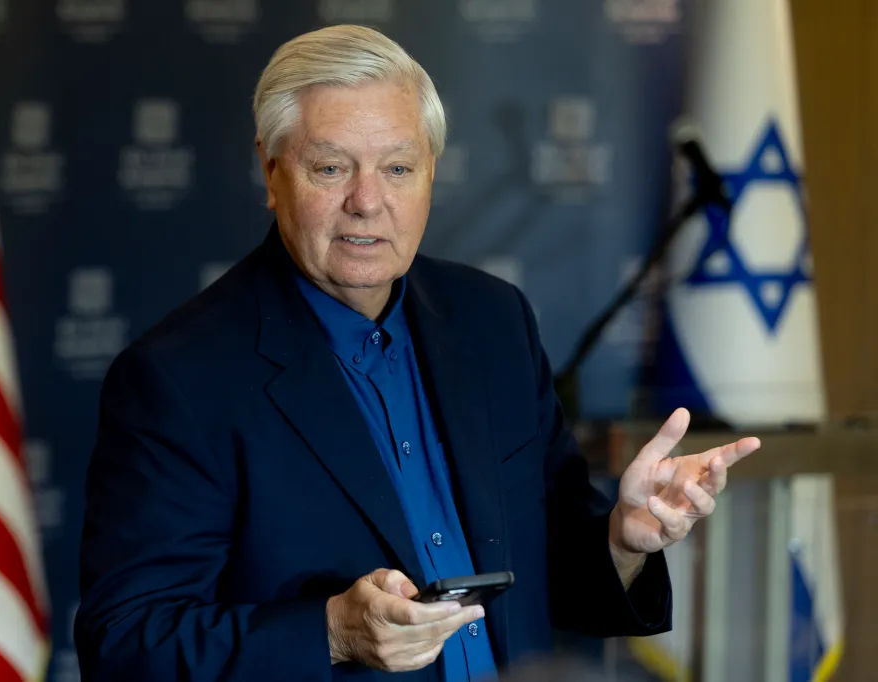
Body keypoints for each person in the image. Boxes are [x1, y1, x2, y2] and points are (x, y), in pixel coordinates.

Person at [74, 24, 760, 682]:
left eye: (397, 167)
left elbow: (546, 569)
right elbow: (127, 644)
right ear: (271, 169)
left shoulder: (493, 322)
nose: (366, 201)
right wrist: (331, 632)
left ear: (431, 171)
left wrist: (621, 541)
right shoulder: (179, 378)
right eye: (330, 167)